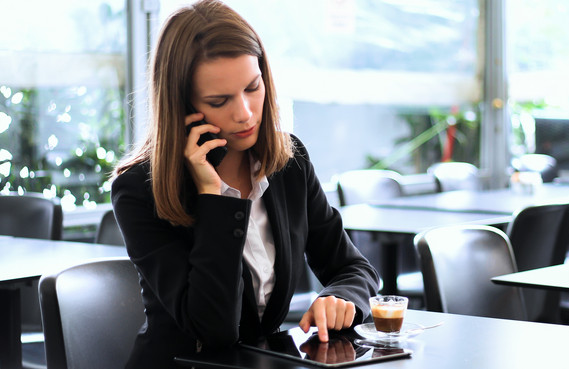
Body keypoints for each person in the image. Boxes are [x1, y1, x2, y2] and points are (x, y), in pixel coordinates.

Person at [110, 0, 380, 367]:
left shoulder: (289, 161)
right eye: (219, 100)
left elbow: (354, 268)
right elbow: (215, 329)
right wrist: (214, 198)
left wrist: (340, 298)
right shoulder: (140, 189)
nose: (245, 113)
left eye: (253, 88)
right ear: (182, 105)